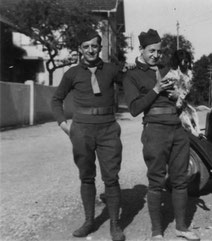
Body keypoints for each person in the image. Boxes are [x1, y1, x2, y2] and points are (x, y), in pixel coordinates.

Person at [123, 29, 200, 241]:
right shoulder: (132, 74)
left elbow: (188, 90)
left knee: (181, 179)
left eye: (158, 51)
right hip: (154, 130)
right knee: (156, 181)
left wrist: (179, 95)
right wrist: (156, 89)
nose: (155, 55)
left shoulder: (168, 68)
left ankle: (181, 227)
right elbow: (134, 108)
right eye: (151, 51)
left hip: (177, 128)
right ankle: (157, 232)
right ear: (141, 50)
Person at [51, 30, 125, 241]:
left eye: (94, 46)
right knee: (86, 176)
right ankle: (89, 221)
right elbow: (56, 100)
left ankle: (115, 225)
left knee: (111, 177)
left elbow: (132, 84)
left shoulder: (111, 70)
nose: (90, 50)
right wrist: (64, 124)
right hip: (82, 129)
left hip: (108, 128)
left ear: (100, 48)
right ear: (80, 50)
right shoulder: (72, 73)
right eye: (86, 46)